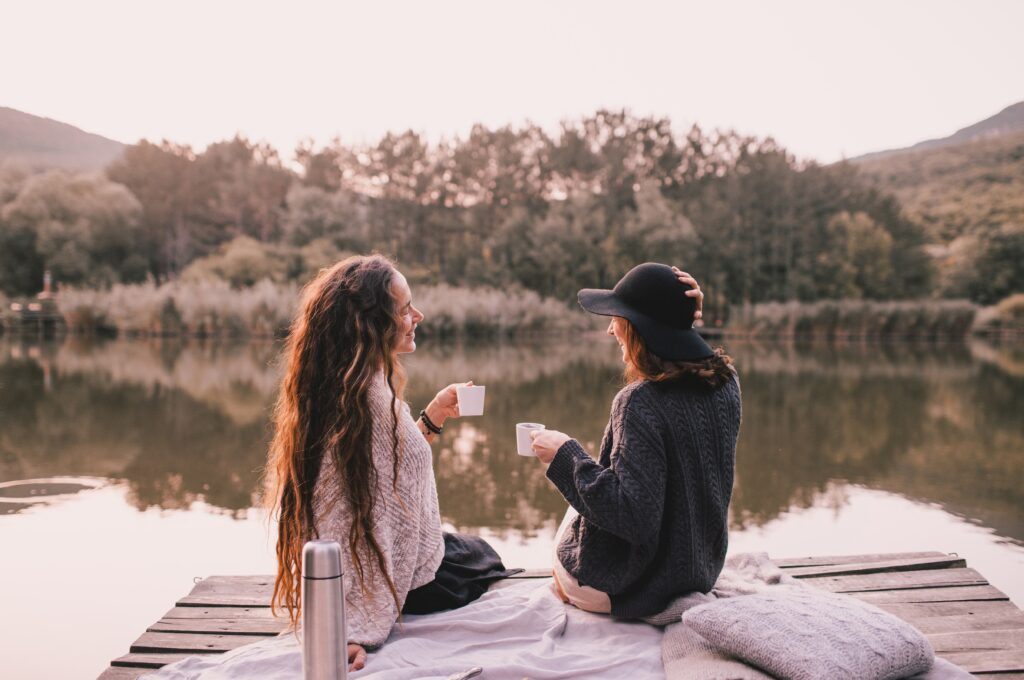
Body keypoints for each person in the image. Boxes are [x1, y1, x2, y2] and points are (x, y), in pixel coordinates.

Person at [264, 254, 511, 672]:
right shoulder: (368, 400)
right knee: (482, 557)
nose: (418, 315)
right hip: (400, 580)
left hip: (394, 560)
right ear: (371, 324)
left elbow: (384, 469)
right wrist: (350, 629)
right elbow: (343, 517)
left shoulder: (340, 383)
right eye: (404, 309)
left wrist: (432, 417)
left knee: (465, 550)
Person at [529, 262, 741, 618]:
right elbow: (692, 351)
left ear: (640, 329)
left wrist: (563, 455)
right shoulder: (727, 383)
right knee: (591, 484)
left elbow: (632, 518)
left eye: (617, 318)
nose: (611, 330)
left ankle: (576, 590)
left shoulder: (639, 402)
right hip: (699, 572)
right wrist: (681, 317)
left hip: (634, 590)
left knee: (571, 511)